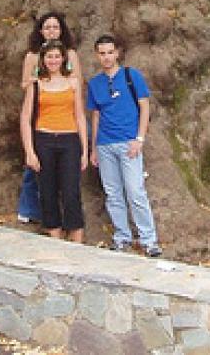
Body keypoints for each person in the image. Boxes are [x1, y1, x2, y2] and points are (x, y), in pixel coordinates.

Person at [87, 34, 161, 257]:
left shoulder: (131, 76)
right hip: (105, 144)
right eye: (102, 53)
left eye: (110, 52)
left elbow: (145, 108)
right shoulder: (95, 83)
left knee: (135, 191)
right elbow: (96, 116)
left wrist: (140, 139)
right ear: (96, 55)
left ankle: (148, 239)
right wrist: (93, 147)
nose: (107, 57)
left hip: (129, 142)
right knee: (113, 193)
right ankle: (122, 236)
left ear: (117, 53)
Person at [19, 40, 88, 242]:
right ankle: (55, 237)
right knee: (47, 191)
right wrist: (29, 152)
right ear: (43, 59)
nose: (53, 60)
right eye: (49, 57)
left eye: (57, 56)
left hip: (69, 140)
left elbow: (80, 116)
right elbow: (25, 119)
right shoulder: (36, 84)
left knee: (71, 193)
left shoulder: (73, 82)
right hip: (44, 139)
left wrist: (84, 149)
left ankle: (77, 240)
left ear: (63, 59)